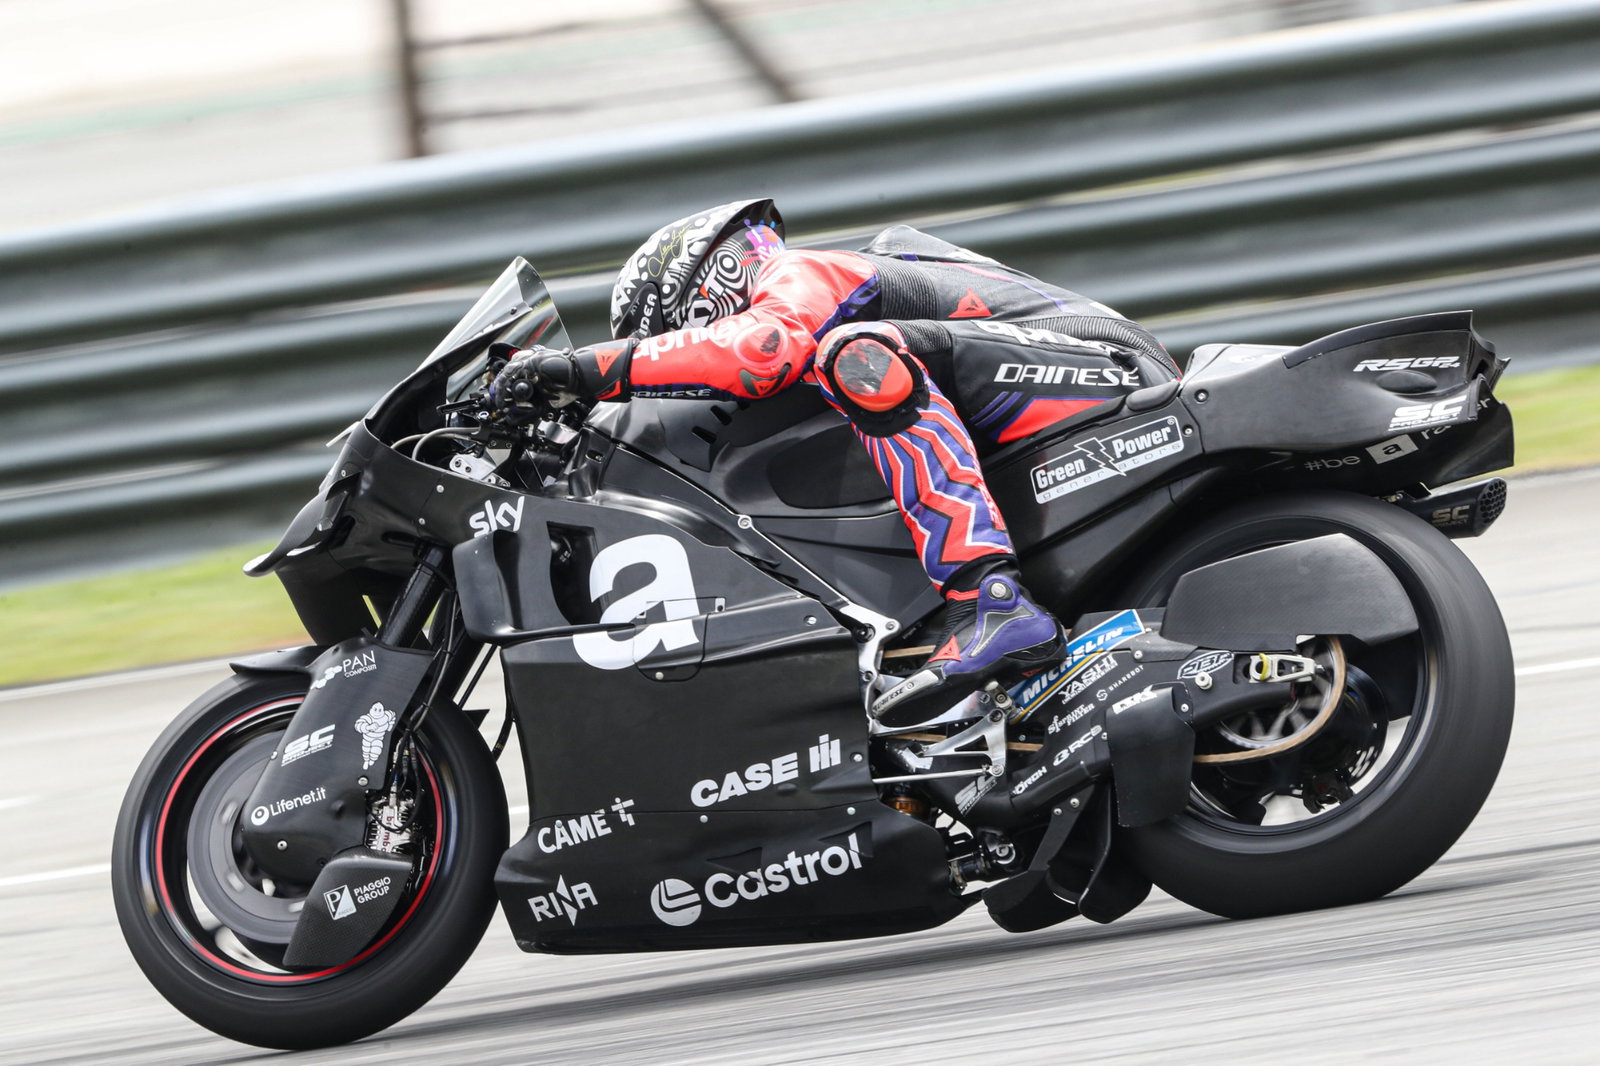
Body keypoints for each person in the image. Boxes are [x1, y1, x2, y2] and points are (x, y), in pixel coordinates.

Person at [490, 198, 1177, 723]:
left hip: (1099, 362)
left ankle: (991, 601)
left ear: (700, 286)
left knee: (851, 355)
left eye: (667, 337)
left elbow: (762, 349)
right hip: (1036, 384)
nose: (676, 358)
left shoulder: (797, 271)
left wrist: (580, 370)